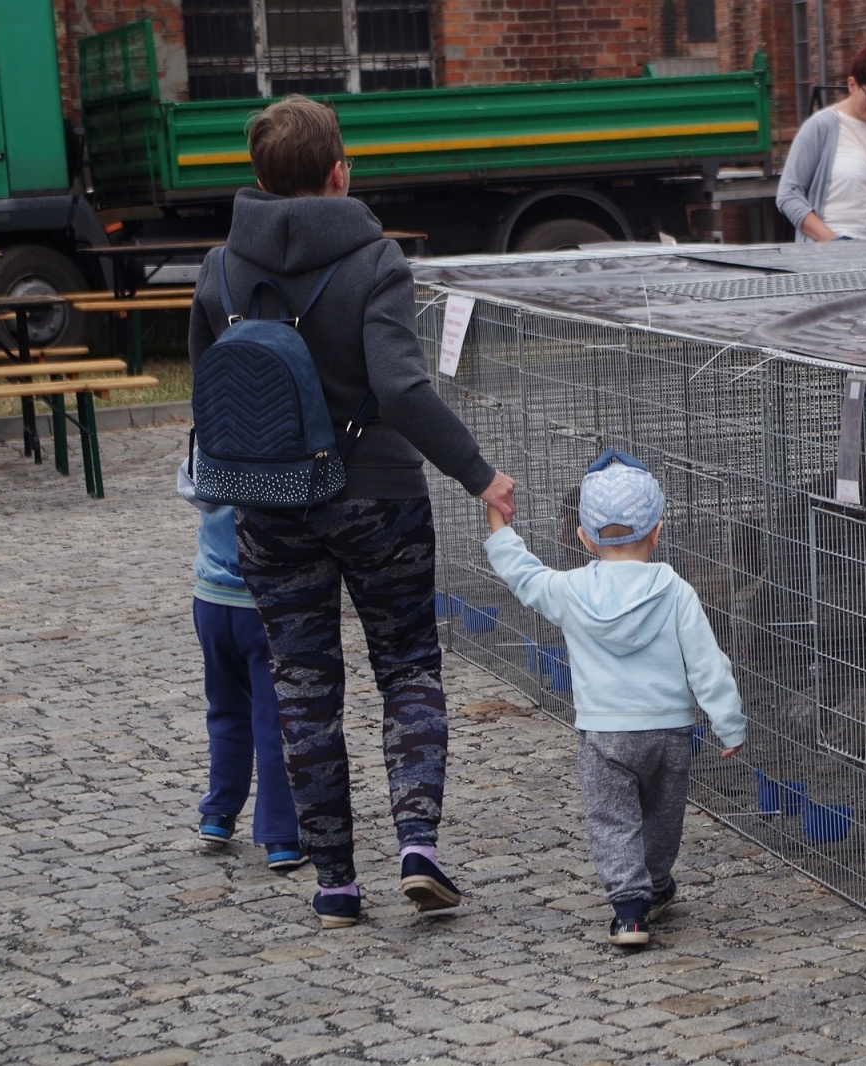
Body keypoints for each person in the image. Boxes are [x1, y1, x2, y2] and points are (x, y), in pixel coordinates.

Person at [188, 95, 517, 929]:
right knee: (407, 667)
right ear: (340, 172)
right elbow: (402, 388)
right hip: (378, 496)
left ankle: (334, 880)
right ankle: (416, 847)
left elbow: (209, 396)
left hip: (271, 504)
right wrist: (480, 475)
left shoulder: (219, 269)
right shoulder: (376, 261)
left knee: (302, 691)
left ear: (258, 177)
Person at [483, 449, 746, 949]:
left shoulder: (570, 590)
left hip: (605, 732)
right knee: (663, 819)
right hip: (669, 731)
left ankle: (630, 911)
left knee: (612, 818)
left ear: (583, 537)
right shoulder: (676, 591)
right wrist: (728, 723)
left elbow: (522, 575)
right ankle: (659, 882)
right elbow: (709, 664)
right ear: (658, 531)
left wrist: (498, 522)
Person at [177, 460, 305, 874]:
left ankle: (218, 812)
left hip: (210, 601)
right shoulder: (278, 456)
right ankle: (281, 834)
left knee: (226, 710)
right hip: (263, 606)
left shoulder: (212, 447)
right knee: (274, 719)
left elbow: (189, 486)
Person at [777, 44, 866, 242]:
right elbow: (788, 195)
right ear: (852, 84)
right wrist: (835, 242)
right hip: (837, 259)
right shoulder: (821, 127)